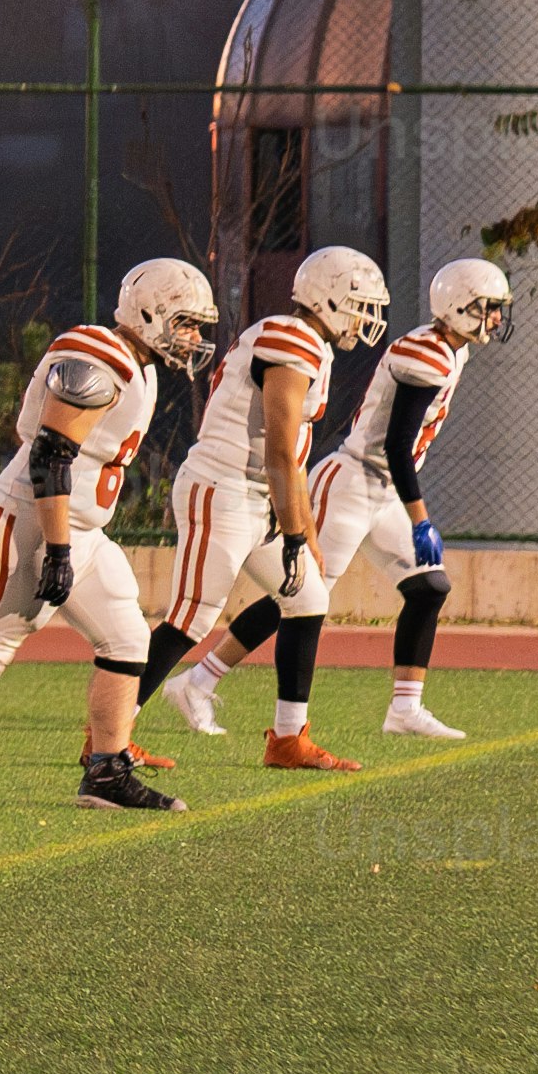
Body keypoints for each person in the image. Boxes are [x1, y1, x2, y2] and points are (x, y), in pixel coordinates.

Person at [0, 257, 216, 818]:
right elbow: (49, 454)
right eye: (186, 323)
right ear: (152, 312)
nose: (193, 338)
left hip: (81, 528)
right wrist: (57, 549)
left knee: (129, 640)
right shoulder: (97, 354)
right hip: (32, 522)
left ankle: (107, 771)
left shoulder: (140, 364)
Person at [167, 244, 391, 773]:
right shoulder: (290, 338)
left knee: (308, 599)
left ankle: (288, 740)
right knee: (188, 621)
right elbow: (278, 450)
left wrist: (305, 531)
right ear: (330, 299)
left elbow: (288, 456)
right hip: (222, 488)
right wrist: (295, 535)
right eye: (359, 304)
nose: (364, 318)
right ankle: (107, 737)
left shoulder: (306, 341)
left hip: (251, 495)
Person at [341, 257, 513, 740]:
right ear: (460, 306)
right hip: (354, 482)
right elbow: (397, 445)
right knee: (298, 597)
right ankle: (202, 679)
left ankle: (404, 709)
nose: (496, 319)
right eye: (488, 308)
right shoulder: (429, 353)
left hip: (382, 486)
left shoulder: (451, 350)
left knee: (429, 587)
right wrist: (421, 520)